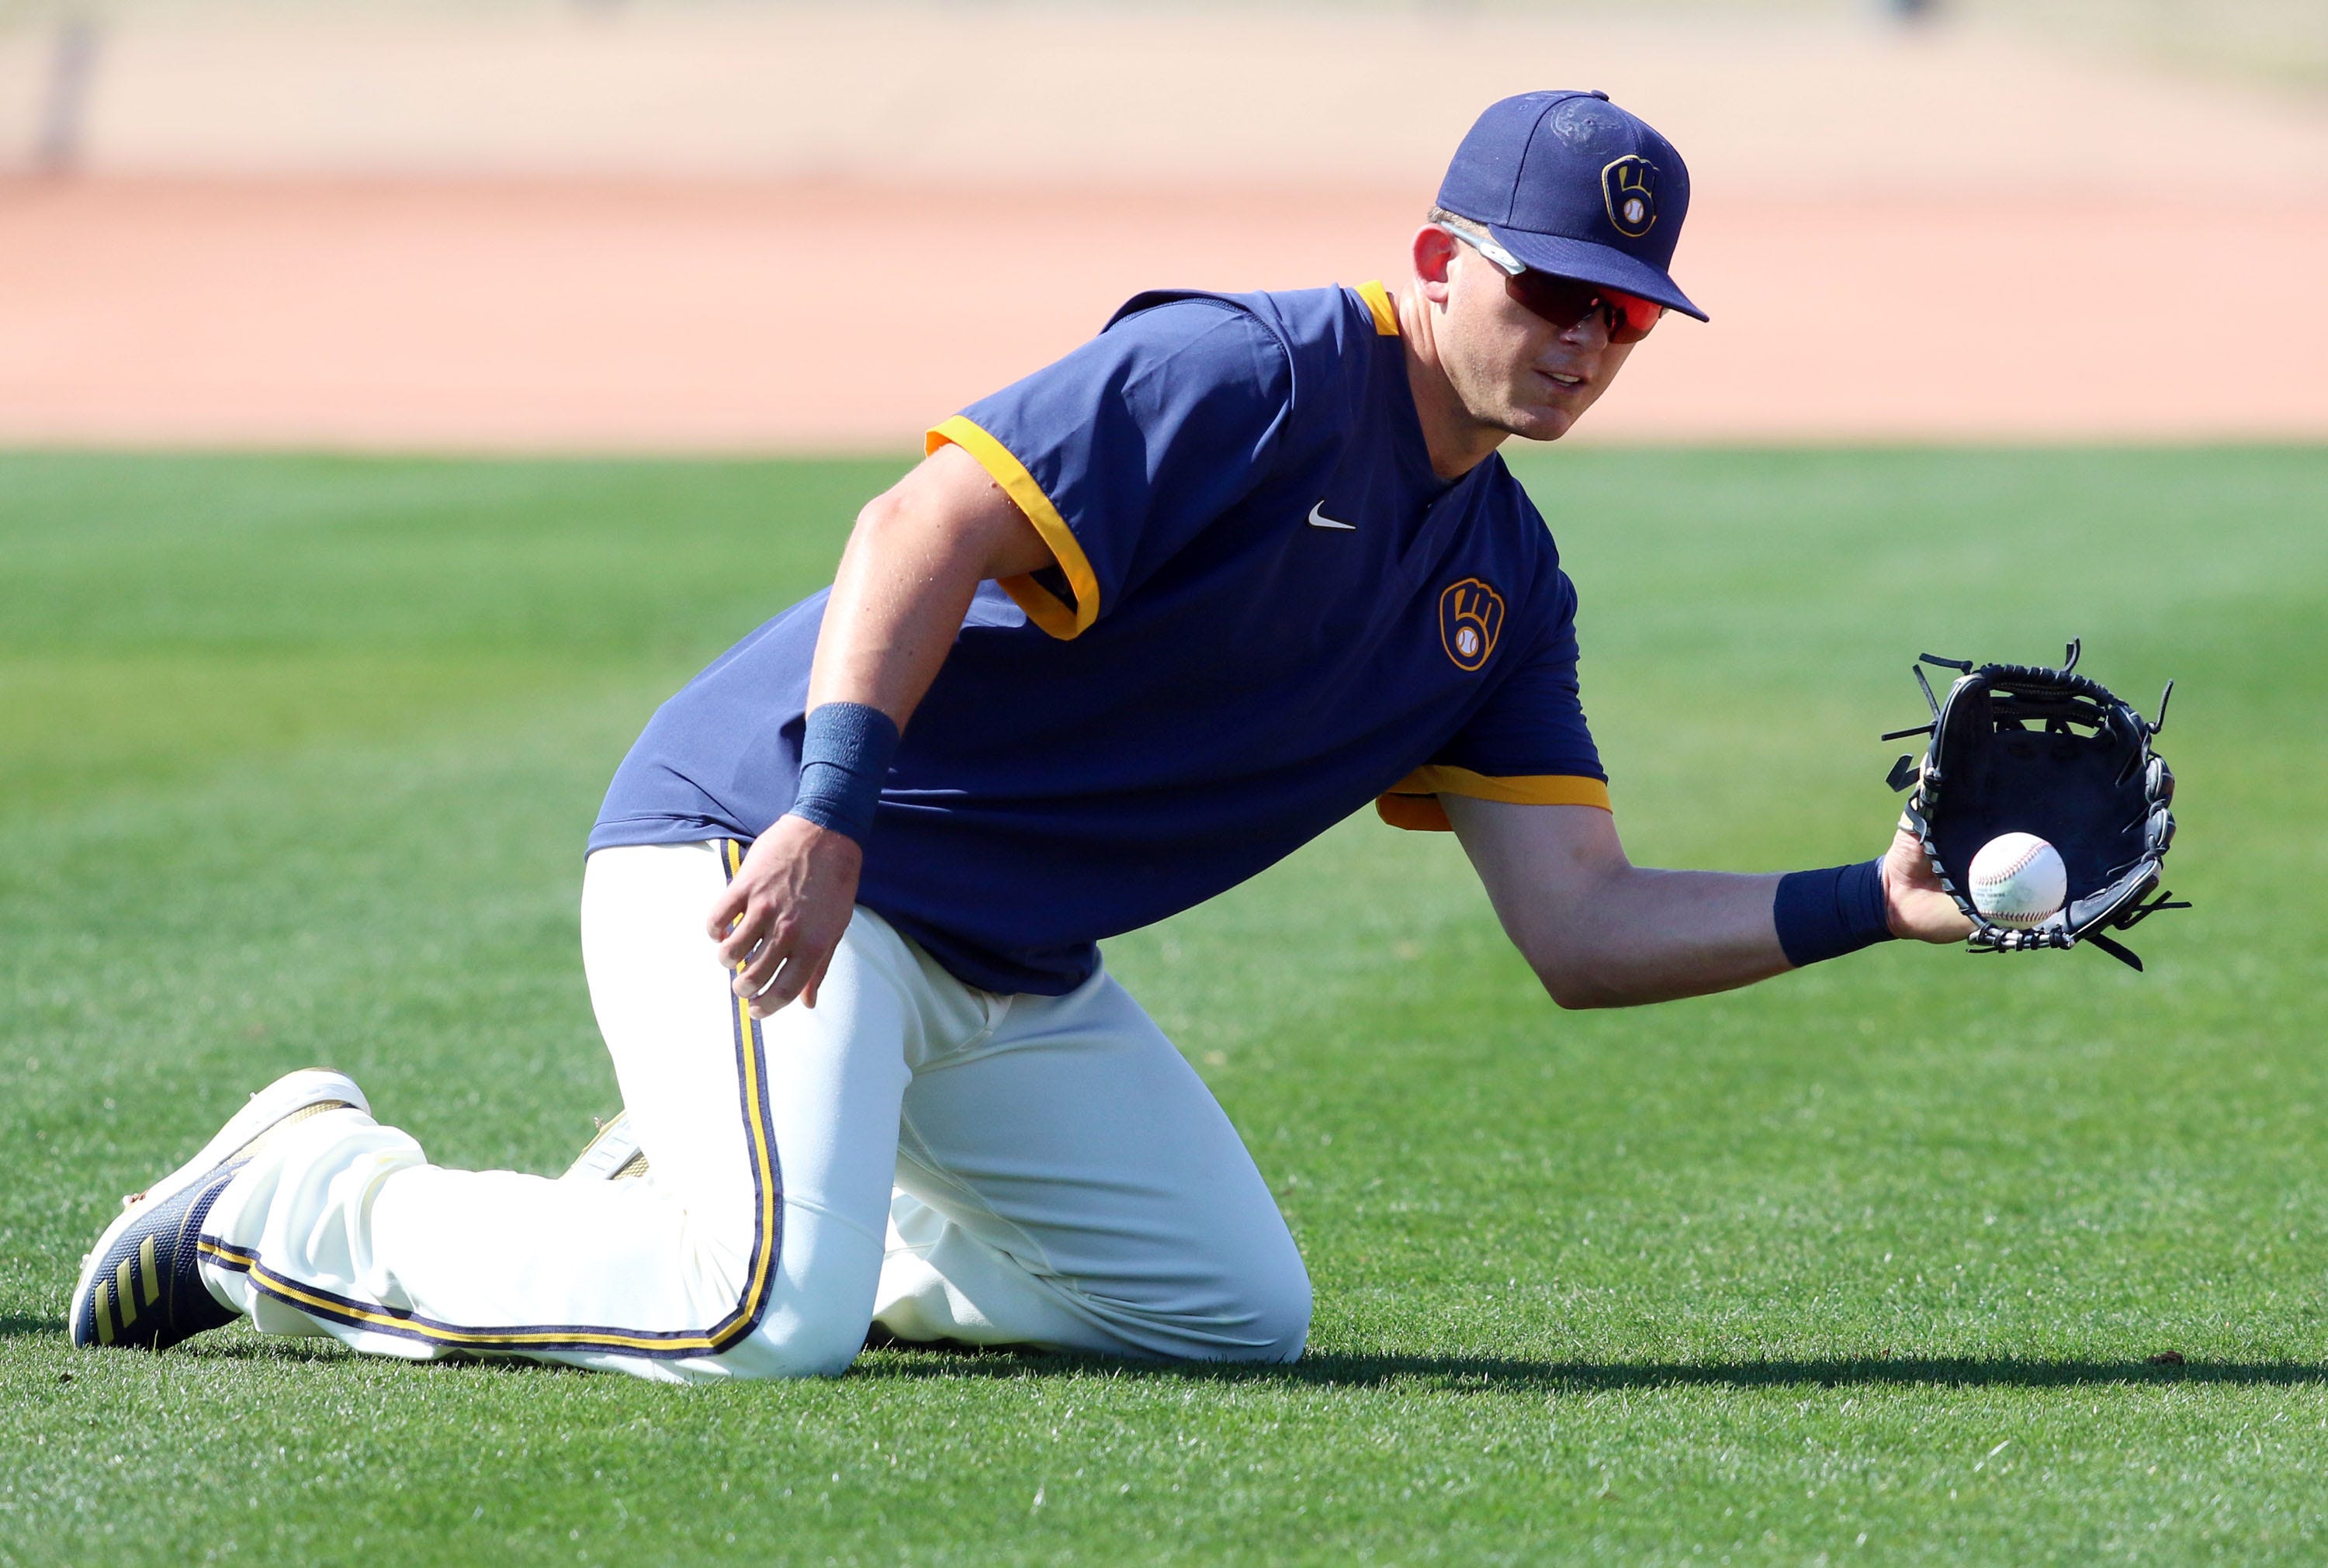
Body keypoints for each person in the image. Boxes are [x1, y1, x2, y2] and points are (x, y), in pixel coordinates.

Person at [71, 91, 1971, 1379]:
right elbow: (919, 524)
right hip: (763, 860)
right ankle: (302, 1204)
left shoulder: (1503, 586)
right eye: (1554, 287)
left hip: (1000, 968)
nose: (1581, 339)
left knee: (1231, 1312)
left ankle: (727, 1190)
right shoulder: (1247, 372)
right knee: (761, 1328)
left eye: (1624, 317)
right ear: (1442, 253)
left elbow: (1581, 923)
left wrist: (1870, 903)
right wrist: (825, 811)